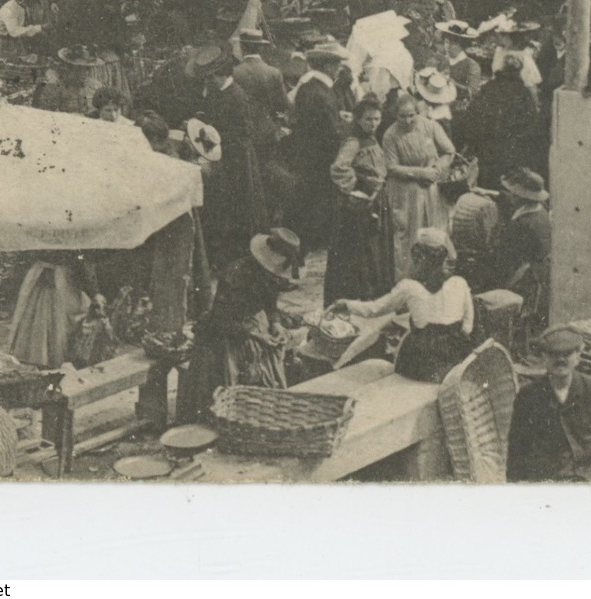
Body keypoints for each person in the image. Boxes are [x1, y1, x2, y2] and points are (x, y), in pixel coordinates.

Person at [177, 229, 302, 423]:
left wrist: (276, 325)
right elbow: (221, 319)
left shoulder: (271, 276)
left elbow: (270, 305)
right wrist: (255, 335)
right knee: (230, 373)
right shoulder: (234, 274)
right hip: (225, 331)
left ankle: (260, 414)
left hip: (253, 324)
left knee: (270, 360)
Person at [332, 228, 474, 383]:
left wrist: (347, 305)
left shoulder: (408, 287)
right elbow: (468, 323)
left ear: (420, 259)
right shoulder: (460, 283)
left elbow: (374, 309)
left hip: (425, 360)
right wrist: (454, 338)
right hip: (456, 354)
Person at [191, 44, 271, 272]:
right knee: (228, 208)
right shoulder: (219, 93)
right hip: (226, 158)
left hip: (239, 160)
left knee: (242, 207)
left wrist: (214, 137)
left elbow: (244, 132)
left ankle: (245, 256)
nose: (209, 82)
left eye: (211, 78)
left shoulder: (236, 96)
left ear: (221, 75)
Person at [506, 326, 591, 482]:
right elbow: (517, 448)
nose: (560, 360)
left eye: (567, 353)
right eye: (554, 354)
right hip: (545, 482)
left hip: (587, 480)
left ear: (578, 356)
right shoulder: (528, 396)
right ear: (544, 357)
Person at [325, 94, 398, 304]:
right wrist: (358, 186)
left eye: (376, 119)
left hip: (376, 201)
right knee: (360, 254)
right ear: (358, 119)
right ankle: (358, 297)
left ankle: (374, 296)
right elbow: (339, 169)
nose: (373, 124)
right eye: (368, 119)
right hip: (360, 206)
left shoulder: (373, 138)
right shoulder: (353, 141)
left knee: (375, 251)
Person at [281, 41, 350, 260]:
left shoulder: (309, 86)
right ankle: (303, 248)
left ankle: (303, 246)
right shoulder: (321, 92)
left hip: (306, 152)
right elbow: (329, 130)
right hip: (319, 156)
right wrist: (346, 126)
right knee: (314, 201)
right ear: (328, 66)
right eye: (337, 64)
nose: (339, 68)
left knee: (308, 200)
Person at [380, 91, 455, 275]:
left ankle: (437, 275)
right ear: (395, 115)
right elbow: (391, 167)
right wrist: (421, 173)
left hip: (431, 189)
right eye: (402, 116)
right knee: (408, 235)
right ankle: (408, 277)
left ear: (418, 113)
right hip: (405, 192)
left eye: (411, 115)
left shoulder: (430, 126)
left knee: (435, 230)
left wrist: (437, 168)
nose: (407, 121)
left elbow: (449, 151)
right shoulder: (390, 135)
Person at [454, 55, 539, 190]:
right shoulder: (523, 94)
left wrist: (470, 142)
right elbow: (531, 125)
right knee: (508, 187)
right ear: (519, 72)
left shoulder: (489, 88)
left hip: (487, 150)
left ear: (502, 69)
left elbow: (471, 117)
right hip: (510, 152)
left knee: (487, 186)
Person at [492, 169, 552, 333]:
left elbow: (508, 257)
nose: (509, 196)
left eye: (512, 193)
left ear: (520, 197)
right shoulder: (540, 209)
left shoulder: (523, 224)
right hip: (540, 270)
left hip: (527, 275)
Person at [433, 21, 486, 103]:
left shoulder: (471, 65)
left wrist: (452, 83)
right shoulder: (443, 62)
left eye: (453, 43)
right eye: (447, 42)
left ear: (462, 45)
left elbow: (472, 93)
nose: (448, 46)